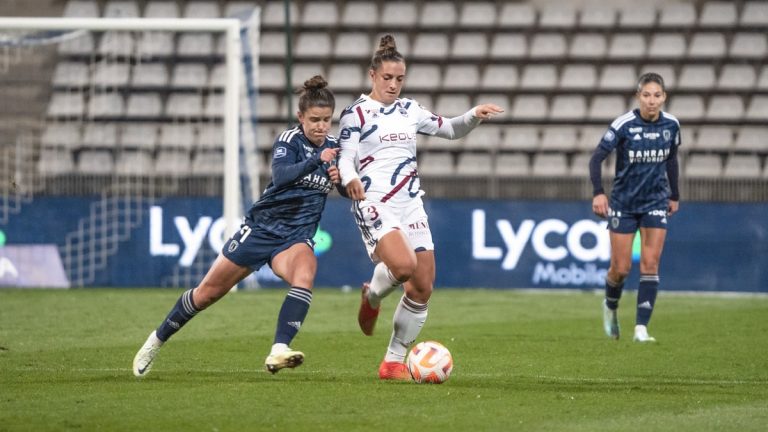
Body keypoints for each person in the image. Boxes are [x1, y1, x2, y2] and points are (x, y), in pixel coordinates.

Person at [133, 75, 341, 377]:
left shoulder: (335, 148)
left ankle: (279, 350)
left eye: (326, 120)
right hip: (261, 229)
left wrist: (340, 181)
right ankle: (156, 340)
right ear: (300, 117)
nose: (321, 126)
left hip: (296, 236)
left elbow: (348, 189)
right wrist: (316, 161)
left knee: (305, 275)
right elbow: (282, 176)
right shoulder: (289, 141)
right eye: (315, 120)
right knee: (206, 294)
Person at [337, 34, 503, 380]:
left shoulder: (409, 110)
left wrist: (474, 114)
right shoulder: (356, 115)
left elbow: (451, 130)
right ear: (372, 75)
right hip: (373, 201)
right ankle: (372, 299)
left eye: (400, 79)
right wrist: (350, 180)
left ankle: (392, 362)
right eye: (387, 78)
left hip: (410, 203)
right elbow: (346, 158)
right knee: (404, 264)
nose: (394, 85)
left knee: (423, 284)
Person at [589, 72, 681, 343]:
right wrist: (598, 193)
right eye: (646, 95)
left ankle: (641, 328)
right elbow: (596, 160)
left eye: (657, 95)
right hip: (624, 204)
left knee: (650, 264)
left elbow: (672, 160)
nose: (652, 101)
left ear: (663, 97)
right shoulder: (624, 124)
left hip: (655, 201)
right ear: (638, 96)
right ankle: (610, 306)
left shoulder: (672, 125)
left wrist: (674, 194)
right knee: (621, 268)